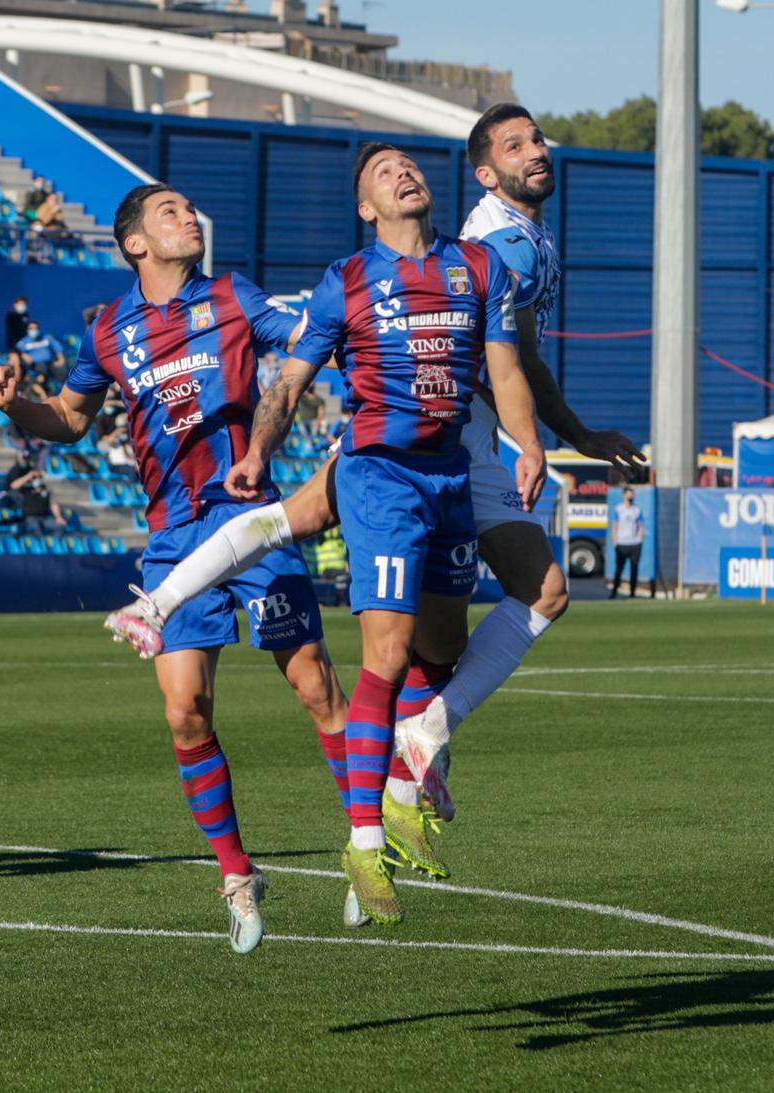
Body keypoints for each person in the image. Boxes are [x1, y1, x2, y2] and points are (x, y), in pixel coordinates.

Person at [110, 107, 640, 817]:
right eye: (516, 145)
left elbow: (519, 360)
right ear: (484, 173)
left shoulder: (506, 247)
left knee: (431, 635)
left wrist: (560, 434)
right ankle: (400, 773)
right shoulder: (491, 250)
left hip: (458, 451)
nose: (536, 151)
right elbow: (495, 364)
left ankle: (420, 743)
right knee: (462, 611)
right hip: (426, 443)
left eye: (538, 138)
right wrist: (540, 438)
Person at [0, 182, 350, 954]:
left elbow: (310, 338)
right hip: (173, 536)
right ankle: (238, 874)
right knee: (185, 712)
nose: (190, 218)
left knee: (313, 681)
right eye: (170, 212)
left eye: (189, 209)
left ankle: (367, 844)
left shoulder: (233, 294)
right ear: (135, 244)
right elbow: (71, 421)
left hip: (249, 516)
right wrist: (18, 404)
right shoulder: (109, 329)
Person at [211, 144, 544, 925]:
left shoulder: (478, 269)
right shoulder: (346, 280)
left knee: (439, 653)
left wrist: (528, 442)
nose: (404, 172)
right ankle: (363, 838)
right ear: (367, 207)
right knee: (388, 655)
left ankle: (400, 796)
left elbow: (504, 371)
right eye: (383, 171)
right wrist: (259, 452)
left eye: (409, 164)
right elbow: (288, 379)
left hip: (451, 474)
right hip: (380, 476)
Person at [609, 488, 645, 599]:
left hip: (634, 544)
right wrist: (615, 542)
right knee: (619, 569)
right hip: (622, 543)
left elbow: (640, 526)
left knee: (634, 569)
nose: (631, 496)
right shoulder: (618, 509)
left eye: (632, 494)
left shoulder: (637, 510)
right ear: (624, 495)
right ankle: (614, 592)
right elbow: (615, 526)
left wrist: (639, 540)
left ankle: (632, 593)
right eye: (629, 493)